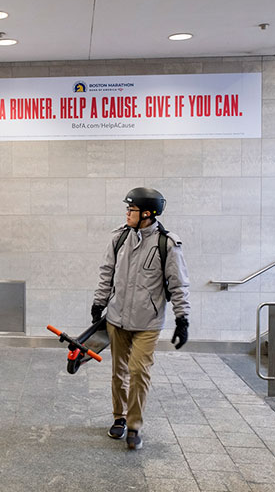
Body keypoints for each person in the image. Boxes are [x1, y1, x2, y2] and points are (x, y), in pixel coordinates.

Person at [91, 187, 190, 451]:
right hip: (117, 319)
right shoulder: (119, 238)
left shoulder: (166, 244)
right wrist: (99, 302)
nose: (127, 213)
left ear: (147, 213)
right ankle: (119, 417)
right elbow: (106, 273)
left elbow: (178, 284)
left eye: (131, 209)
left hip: (148, 323)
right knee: (118, 373)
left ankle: (134, 424)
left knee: (139, 371)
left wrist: (183, 319)